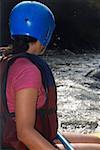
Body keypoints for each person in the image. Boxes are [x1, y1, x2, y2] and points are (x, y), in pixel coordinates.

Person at [0, 1, 100, 150]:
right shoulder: (28, 71)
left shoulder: (8, 60)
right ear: (45, 33)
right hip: (20, 144)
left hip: (13, 139)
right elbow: (24, 133)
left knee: (97, 141)